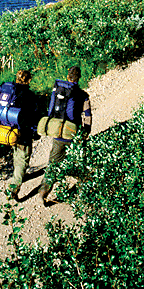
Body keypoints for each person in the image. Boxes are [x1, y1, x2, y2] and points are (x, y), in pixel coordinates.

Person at [38, 65, 92, 206]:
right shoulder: (82, 95)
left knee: (53, 164)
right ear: (79, 78)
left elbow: (51, 110)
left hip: (57, 134)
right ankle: (83, 184)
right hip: (73, 134)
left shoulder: (58, 90)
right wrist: (85, 133)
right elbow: (87, 116)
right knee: (80, 163)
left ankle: (44, 191)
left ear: (68, 77)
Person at [7, 69, 39, 201]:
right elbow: (34, 114)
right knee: (23, 160)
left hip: (10, 130)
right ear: (28, 80)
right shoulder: (29, 95)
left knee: (16, 155)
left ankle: (17, 175)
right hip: (23, 132)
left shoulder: (11, 91)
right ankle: (13, 189)